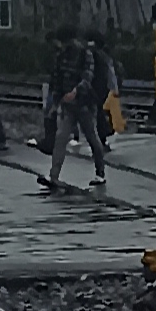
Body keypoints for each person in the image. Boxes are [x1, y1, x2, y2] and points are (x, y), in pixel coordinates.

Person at [41, 30, 107, 191]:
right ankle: (53, 175)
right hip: (67, 105)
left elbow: (87, 77)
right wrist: (56, 103)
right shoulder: (60, 56)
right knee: (61, 138)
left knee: (92, 137)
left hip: (85, 103)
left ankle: (100, 172)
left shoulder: (85, 54)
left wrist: (75, 91)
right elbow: (56, 80)